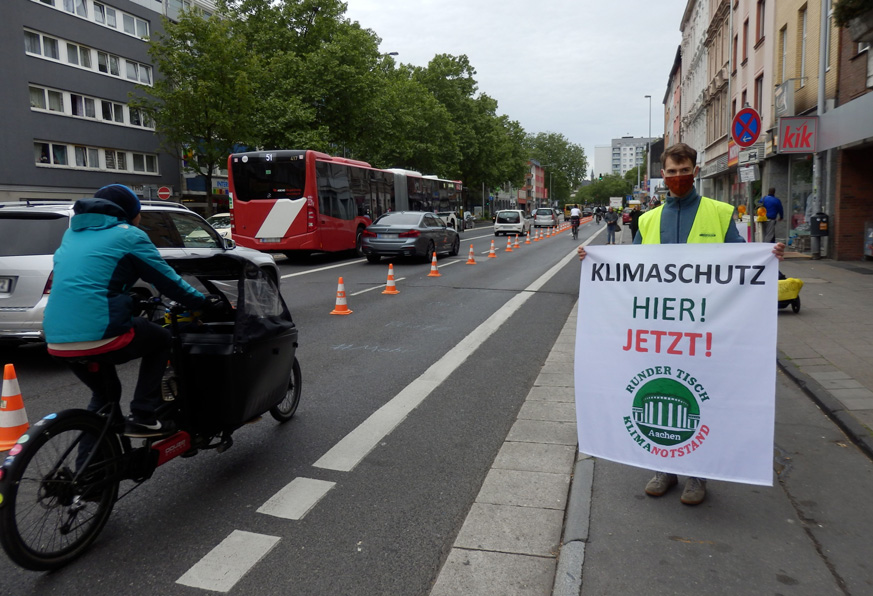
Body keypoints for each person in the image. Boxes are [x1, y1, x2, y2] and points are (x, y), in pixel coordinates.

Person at [577, 143, 785, 506]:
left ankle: (697, 475)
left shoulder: (719, 213)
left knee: (700, 394)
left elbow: (739, 262)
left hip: (702, 327)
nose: (677, 178)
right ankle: (663, 469)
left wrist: (768, 257)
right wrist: (594, 261)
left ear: (695, 168)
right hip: (659, 329)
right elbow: (632, 270)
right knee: (661, 387)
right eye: (670, 172)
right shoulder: (649, 218)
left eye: (683, 169)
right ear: (663, 174)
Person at [43, 184, 222, 438]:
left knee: (105, 400)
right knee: (161, 339)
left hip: (55, 337)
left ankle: (90, 472)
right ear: (129, 213)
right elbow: (167, 281)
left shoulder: (72, 235)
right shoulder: (129, 235)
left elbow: (93, 283)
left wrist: (128, 300)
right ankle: (143, 415)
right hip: (101, 331)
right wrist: (203, 304)